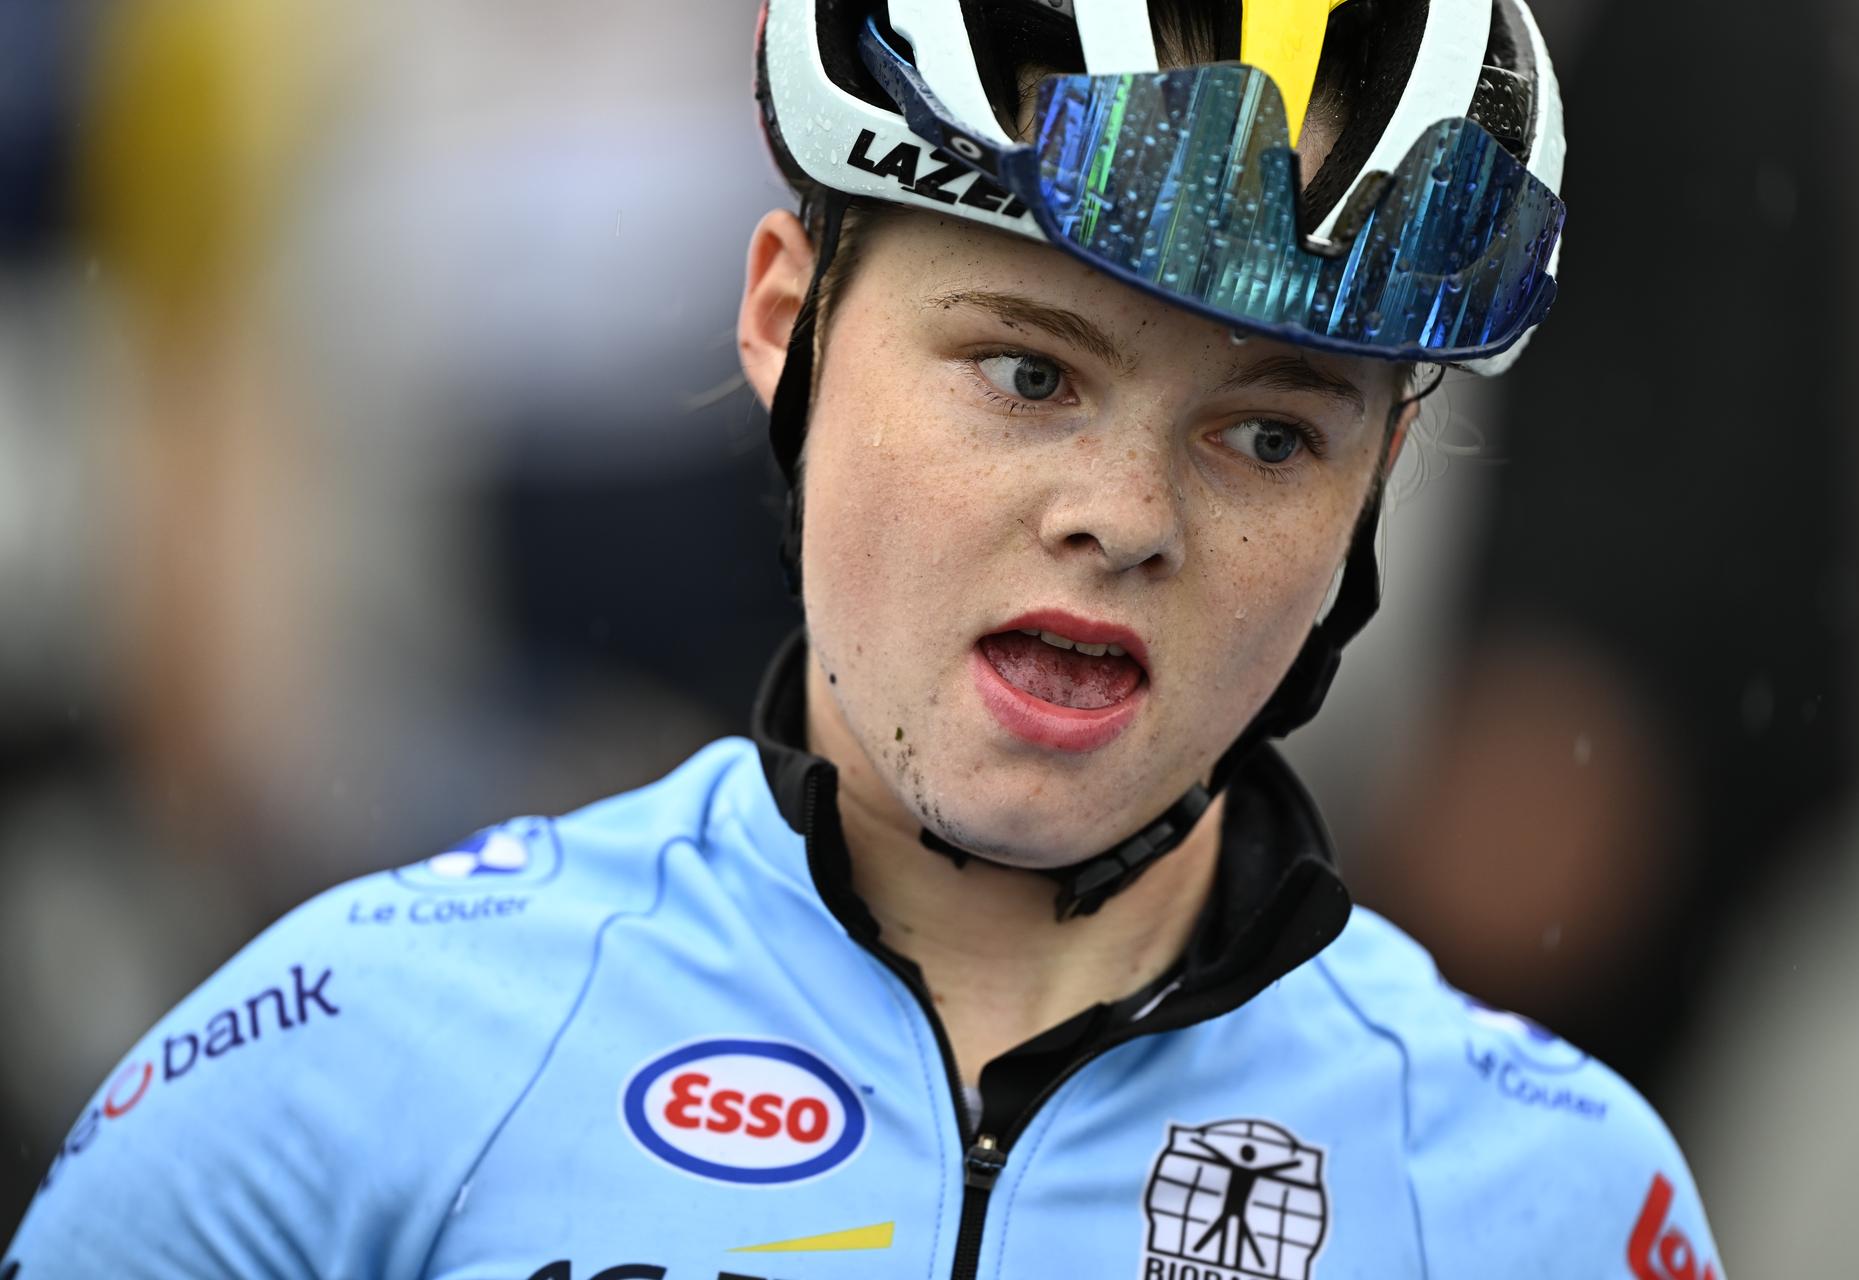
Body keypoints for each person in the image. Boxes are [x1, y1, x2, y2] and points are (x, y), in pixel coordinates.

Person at [5, 0, 1723, 1276]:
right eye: (1029, 371)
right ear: (782, 321)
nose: (1124, 513)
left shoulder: (1549, 1198)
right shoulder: (344, 1066)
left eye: (1271, 434)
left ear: (1382, 483)